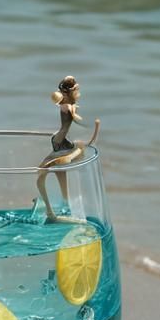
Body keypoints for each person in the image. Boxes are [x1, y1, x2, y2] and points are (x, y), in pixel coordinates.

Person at [36, 76, 100, 223]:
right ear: (70, 93)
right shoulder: (68, 107)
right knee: (44, 171)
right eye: (77, 90)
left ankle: (57, 207)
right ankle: (51, 209)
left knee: (53, 173)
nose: (79, 93)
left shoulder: (65, 105)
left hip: (60, 140)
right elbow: (78, 120)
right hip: (60, 142)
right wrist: (92, 124)